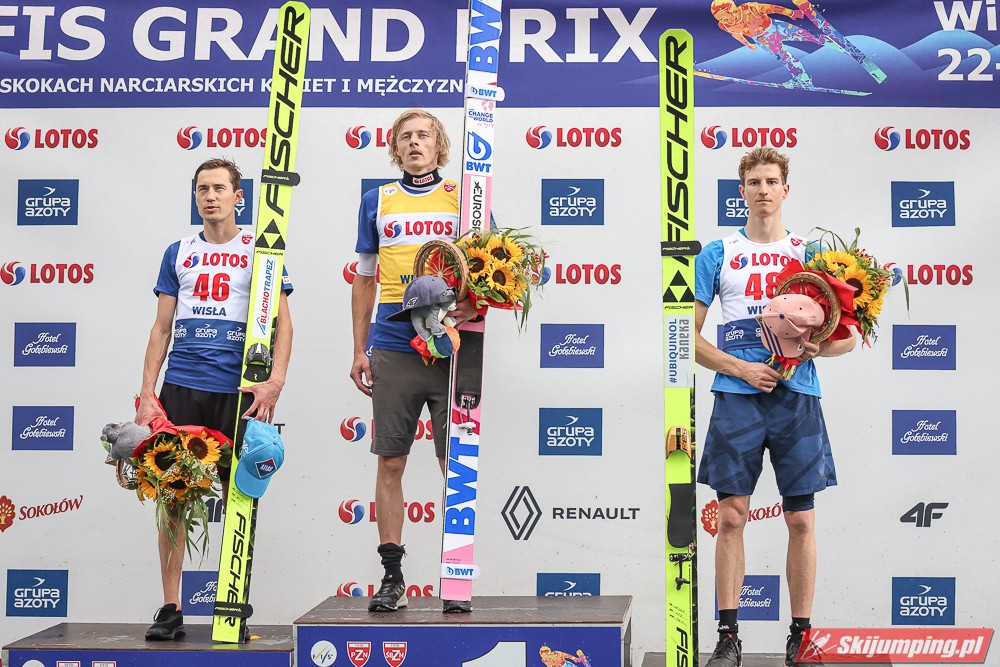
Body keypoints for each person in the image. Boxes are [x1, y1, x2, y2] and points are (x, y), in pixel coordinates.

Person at [695, 147, 855, 667]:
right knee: (731, 516)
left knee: (802, 520)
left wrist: (814, 348)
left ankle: (801, 638)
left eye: (771, 181)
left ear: (786, 189)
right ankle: (728, 637)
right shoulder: (718, 253)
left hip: (797, 398)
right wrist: (741, 369)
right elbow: (685, 337)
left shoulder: (812, 255)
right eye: (754, 182)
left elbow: (847, 339)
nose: (763, 190)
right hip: (737, 399)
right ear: (741, 191)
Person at [135, 158, 293, 640]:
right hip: (182, 386)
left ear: (238, 197)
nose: (210, 196)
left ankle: (231, 603)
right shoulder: (178, 251)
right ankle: (170, 608)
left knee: (238, 497)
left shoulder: (261, 251)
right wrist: (147, 393)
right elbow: (161, 328)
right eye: (203, 189)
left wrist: (275, 381)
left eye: (220, 188)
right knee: (172, 498)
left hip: (238, 391)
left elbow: (284, 324)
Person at [349, 109, 478, 614]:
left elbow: (491, 268)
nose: (415, 142)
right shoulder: (376, 200)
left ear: (439, 145)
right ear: (395, 149)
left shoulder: (466, 197)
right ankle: (392, 577)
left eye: (424, 135)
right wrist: (358, 348)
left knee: (455, 464)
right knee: (391, 461)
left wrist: (471, 307)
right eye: (405, 137)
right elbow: (364, 280)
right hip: (393, 342)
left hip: (453, 347)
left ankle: (457, 577)